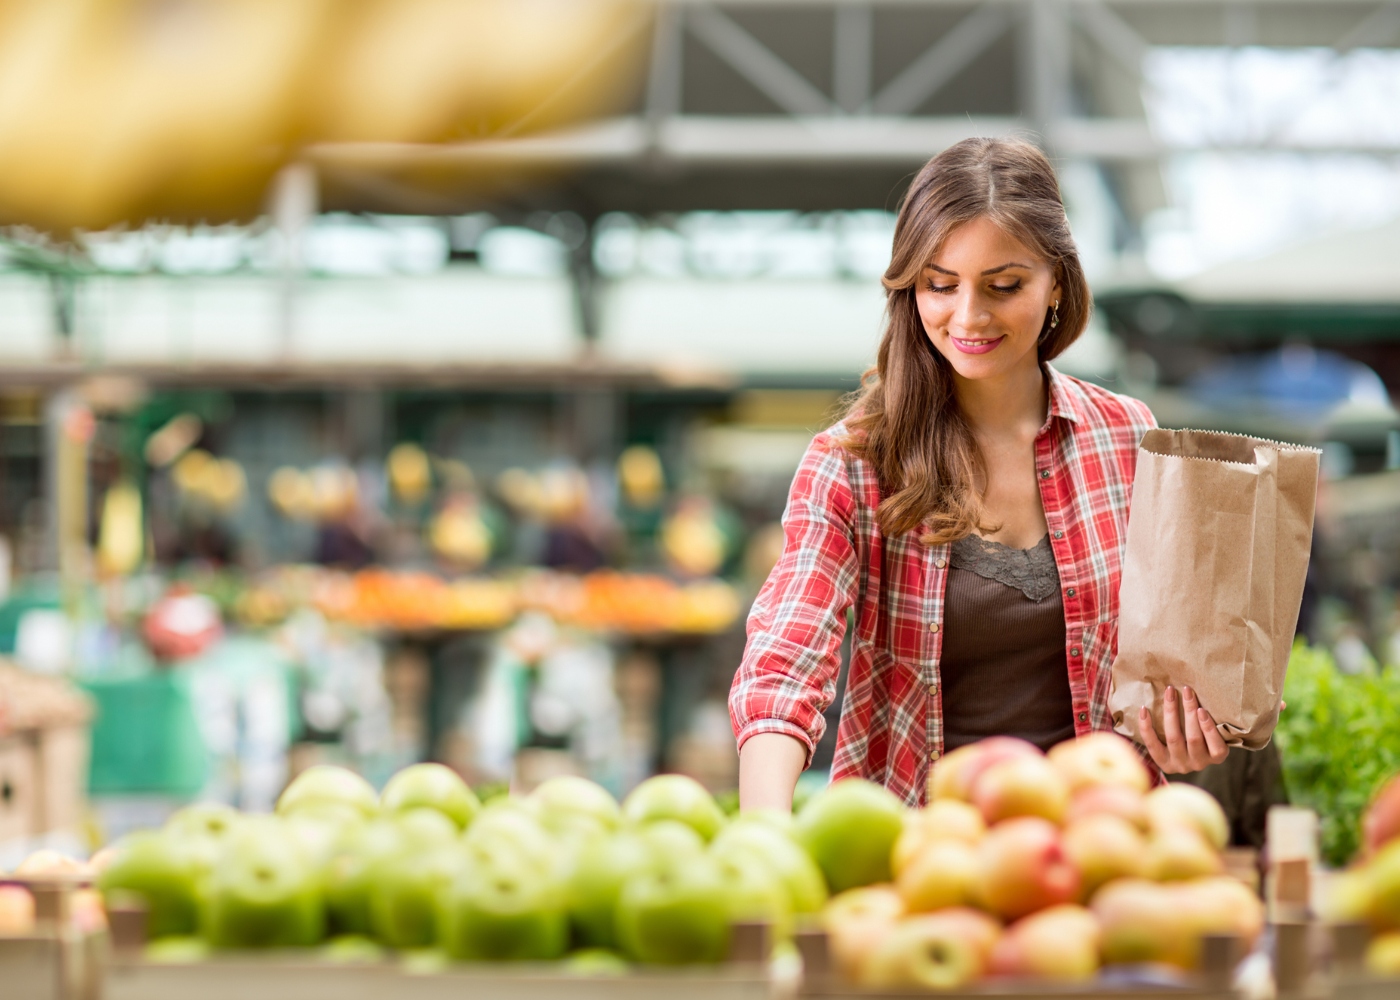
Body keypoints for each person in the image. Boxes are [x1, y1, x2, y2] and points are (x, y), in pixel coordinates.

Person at [730, 137, 1231, 811]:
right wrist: (766, 823)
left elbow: (1175, 661)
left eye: (1004, 286)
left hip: (1100, 843)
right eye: (940, 285)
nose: (967, 316)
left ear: (1056, 280)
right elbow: (788, 651)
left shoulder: (1125, 437)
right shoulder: (854, 460)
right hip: (920, 854)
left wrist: (1190, 727)